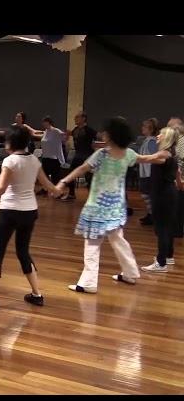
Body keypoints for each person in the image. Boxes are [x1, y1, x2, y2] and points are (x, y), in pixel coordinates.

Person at [0, 127, 62, 311]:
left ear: (10, 143)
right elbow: (47, 184)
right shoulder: (34, 160)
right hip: (29, 212)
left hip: (9, 211)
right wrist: (57, 189)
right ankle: (37, 294)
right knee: (23, 252)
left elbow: (1, 189)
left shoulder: (9, 161)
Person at [57, 117, 141, 293]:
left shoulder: (102, 154)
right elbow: (147, 159)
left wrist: (63, 181)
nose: (103, 134)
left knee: (93, 244)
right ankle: (130, 273)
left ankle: (88, 283)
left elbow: (82, 169)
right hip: (116, 208)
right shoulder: (129, 154)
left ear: (111, 135)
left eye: (106, 132)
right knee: (118, 240)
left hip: (97, 208)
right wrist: (161, 155)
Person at [138, 127, 181, 272]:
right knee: (167, 227)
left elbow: (144, 159)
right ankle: (168, 256)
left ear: (167, 137)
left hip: (162, 195)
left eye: (161, 134)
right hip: (169, 193)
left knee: (161, 229)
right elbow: (178, 175)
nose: (158, 136)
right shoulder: (172, 153)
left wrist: (125, 154)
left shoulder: (164, 153)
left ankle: (161, 263)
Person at [61, 111, 97, 201]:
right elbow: (71, 135)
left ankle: (92, 198)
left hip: (87, 156)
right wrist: (67, 134)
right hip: (78, 156)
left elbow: (97, 138)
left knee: (89, 178)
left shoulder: (89, 130)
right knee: (71, 174)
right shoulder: (75, 129)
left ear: (83, 118)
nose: (75, 119)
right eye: (75, 117)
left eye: (77, 117)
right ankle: (71, 194)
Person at [33, 116, 66, 195]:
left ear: (49, 122)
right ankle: (45, 190)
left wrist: (65, 135)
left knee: (55, 177)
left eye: (44, 122)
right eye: (43, 122)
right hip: (45, 157)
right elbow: (39, 135)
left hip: (54, 158)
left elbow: (64, 137)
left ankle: (58, 192)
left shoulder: (55, 131)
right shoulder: (46, 132)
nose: (43, 124)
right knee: (44, 176)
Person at [138, 118, 159, 226]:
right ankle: (151, 214)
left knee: (148, 194)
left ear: (150, 129)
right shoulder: (146, 140)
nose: (142, 128)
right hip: (145, 172)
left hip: (149, 173)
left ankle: (153, 215)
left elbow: (155, 157)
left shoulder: (151, 142)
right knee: (146, 194)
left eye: (144, 126)